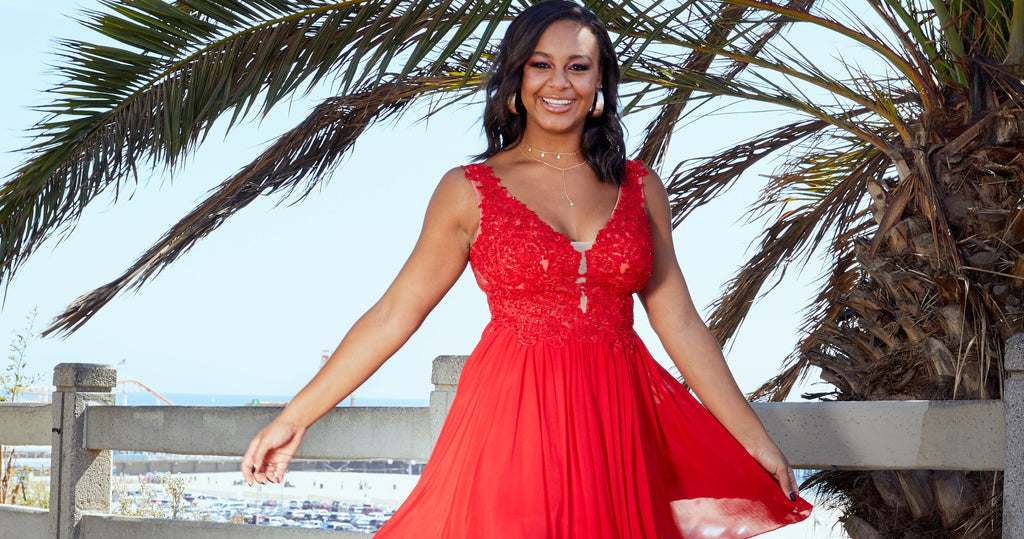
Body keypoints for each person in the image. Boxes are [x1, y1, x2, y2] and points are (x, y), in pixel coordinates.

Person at [242, 1, 812, 536]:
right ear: (516, 81)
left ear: (600, 86)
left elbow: (682, 325)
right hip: (512, 419)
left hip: (615, 424)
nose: (559, 82)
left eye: (578, 67)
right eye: (541, 65)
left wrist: (753, 438)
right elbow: (395, 314)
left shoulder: (641, 188)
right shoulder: (468, 190)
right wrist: (296, 416)